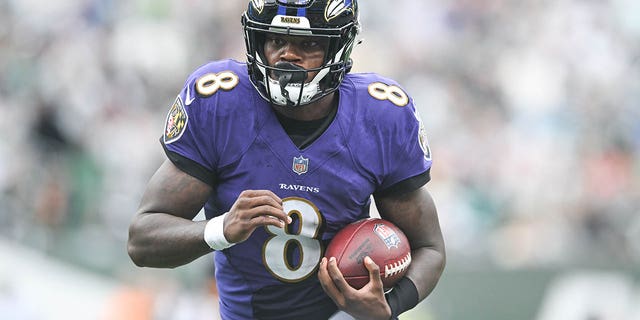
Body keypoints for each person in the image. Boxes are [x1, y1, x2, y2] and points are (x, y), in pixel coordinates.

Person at [127, 0, 446, 319]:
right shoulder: (220, 104)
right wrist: (222, 229)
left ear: (340, 46)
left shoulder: (380, 115)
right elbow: (142, 240)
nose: (288, 54)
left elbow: (429, 248)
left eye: (308, 43)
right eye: (276, 40)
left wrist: (390, 306)